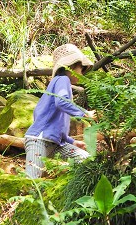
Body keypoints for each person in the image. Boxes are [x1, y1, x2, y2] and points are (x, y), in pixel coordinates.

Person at [24, 43, 95, 178]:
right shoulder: (62, 80)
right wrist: (84, 113)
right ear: (71, 66)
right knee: (32, 181)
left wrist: (72, 142)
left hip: (56, 143)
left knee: (87, 161)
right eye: (81, 68)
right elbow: (61, 102)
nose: (82, 73)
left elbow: (54, 125)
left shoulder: (58, 84)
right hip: (39, 140)